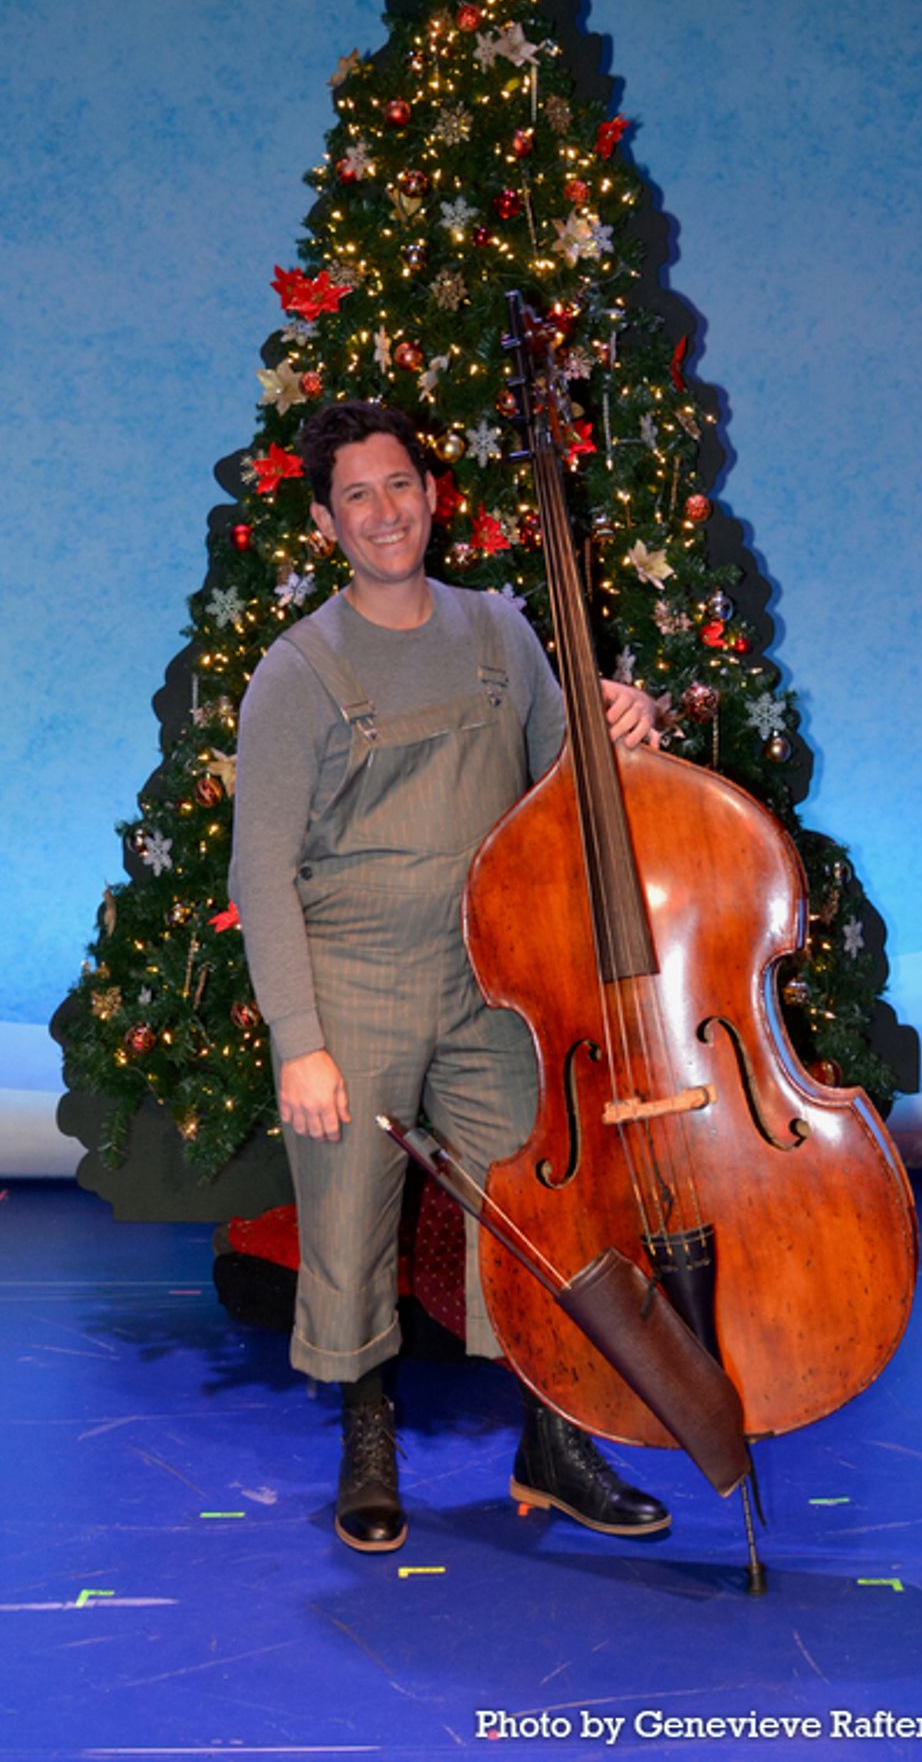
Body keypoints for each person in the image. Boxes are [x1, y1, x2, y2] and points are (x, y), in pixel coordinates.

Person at [231, 398, 670, 1553]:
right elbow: (260, 870)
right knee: (347, 1223)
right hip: (351, 977)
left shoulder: (497, 632)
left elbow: (553, 791)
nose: (385, 512)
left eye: (401, 485)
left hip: (491, 975)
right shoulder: (298, 671)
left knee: (528, 1212)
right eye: (358, 496)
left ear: (433, 495)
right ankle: (366, 1440)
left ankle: (552, 1441)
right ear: (328, 522)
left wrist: (621, 721)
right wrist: (300, 1043)